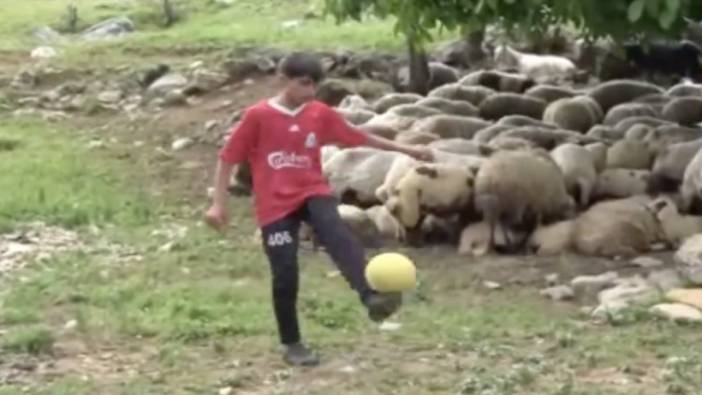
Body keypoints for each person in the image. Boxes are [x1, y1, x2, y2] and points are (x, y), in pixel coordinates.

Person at [204, 51, 433, 367]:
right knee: (284, 274)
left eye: (314, 85)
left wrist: (408, 149)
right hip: (274, 205)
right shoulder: (258, 116)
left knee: (335, 229)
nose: (310, 92)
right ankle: (292, 343)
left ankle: (370, 296)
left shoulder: (318, 113)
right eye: (304, 84)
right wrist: (218, 204)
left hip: (312, 191)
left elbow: (359, 136)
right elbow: (228, 157)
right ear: (283, 81)